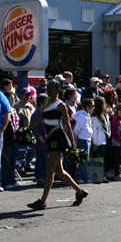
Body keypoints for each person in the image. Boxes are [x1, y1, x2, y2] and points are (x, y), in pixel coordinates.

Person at [26, 80, 88, 209]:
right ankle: (80, 192)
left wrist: (72, 144)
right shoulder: (47, 102)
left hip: (58, 138)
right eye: (48, 89)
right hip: (50, 137)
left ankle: (42, 201)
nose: (49, 91)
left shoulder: (61, 105)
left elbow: (67, 125)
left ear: (58, 90)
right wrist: (29, 127)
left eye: (52, 89)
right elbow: (41, 117)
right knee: (59, 171)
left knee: (49, 170)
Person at [72, 97, 94, 183]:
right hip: (83, 139)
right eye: (92, 106)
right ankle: (78, 177)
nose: (93, 107)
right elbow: (77, 129)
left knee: (86, 159)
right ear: (87, 106)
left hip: (87, 138)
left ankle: (85, 177)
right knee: (84, 159)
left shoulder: (87, 115)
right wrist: (77, 137)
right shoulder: (82, 116)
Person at [32, 93, 49, 185]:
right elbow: (34, 127)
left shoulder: (45, 112)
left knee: (46, 159)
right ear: (41, 103)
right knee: (40, 159)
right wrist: (40, 138)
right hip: (41, 140)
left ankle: (46, 176)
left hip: (47, 139)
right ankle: (40, 177)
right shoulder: (37, 113)